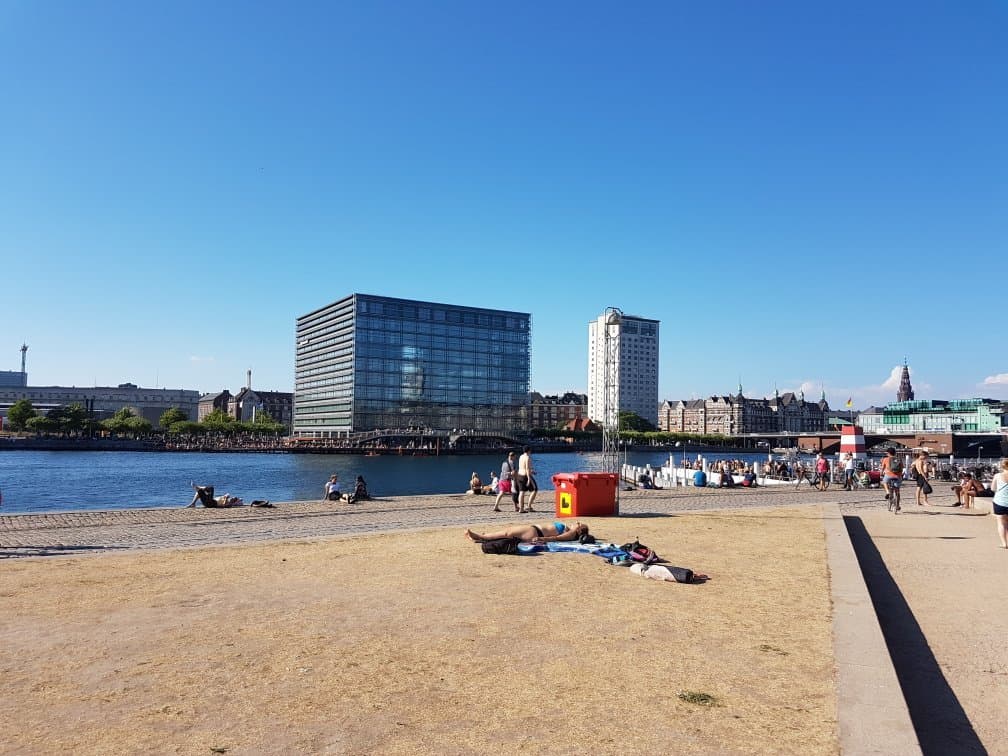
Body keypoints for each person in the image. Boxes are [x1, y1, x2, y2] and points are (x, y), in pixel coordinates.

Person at [465, 520, 589, 545]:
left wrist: (543, 540)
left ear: (578, 529)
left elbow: (557, 538)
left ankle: (480, 536)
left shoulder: (571, 532)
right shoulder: (570, 530)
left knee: (507, 532)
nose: (576, 522)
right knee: (507, 536)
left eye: (578, 523)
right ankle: (480, 538)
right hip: (535, 531)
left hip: (536, 532)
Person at [991, 459, 1008, 549]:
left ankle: (1004, 543)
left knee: (1001, 523)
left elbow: (993, 488)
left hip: (1000, 502)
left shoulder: (998, 476)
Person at [516, 446, 537, 513]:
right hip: (525, 476)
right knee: (535, 489)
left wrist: (531, 471)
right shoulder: (528, 458)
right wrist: (529, 478)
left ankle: (521, 509)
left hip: (519, 475)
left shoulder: (521, 456)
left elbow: (522, 467)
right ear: (529, 450)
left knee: (521, 492)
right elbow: (527, 469)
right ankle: (529, 506)